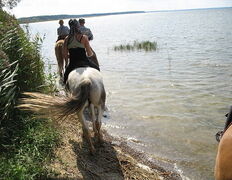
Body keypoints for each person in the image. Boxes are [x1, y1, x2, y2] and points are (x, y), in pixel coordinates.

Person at [63, 19, 100, 85]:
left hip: (73, 63)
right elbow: (89, 53)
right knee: (97, 69)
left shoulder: (67, 39)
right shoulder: (84, 37)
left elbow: (65, 55)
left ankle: (65, 91)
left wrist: (67, 61)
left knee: (65, 79)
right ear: (78, 25)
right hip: (84, 61)